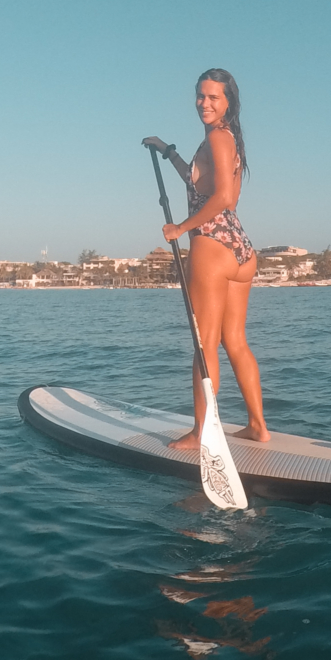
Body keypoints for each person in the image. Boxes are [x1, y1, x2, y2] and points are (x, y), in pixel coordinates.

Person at [143, 68, 269, 447]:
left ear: (229, 100)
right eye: (201, 96)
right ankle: (258, 427)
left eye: (213, 97)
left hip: (212, 246)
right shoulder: (225, 139)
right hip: (241, 251)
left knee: (205, 344)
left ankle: (201, 432)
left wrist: (181, 228)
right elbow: (198, 182)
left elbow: (223, 199)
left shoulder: (217, 137)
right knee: (235, 341)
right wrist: (168, 152)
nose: (205, 103)